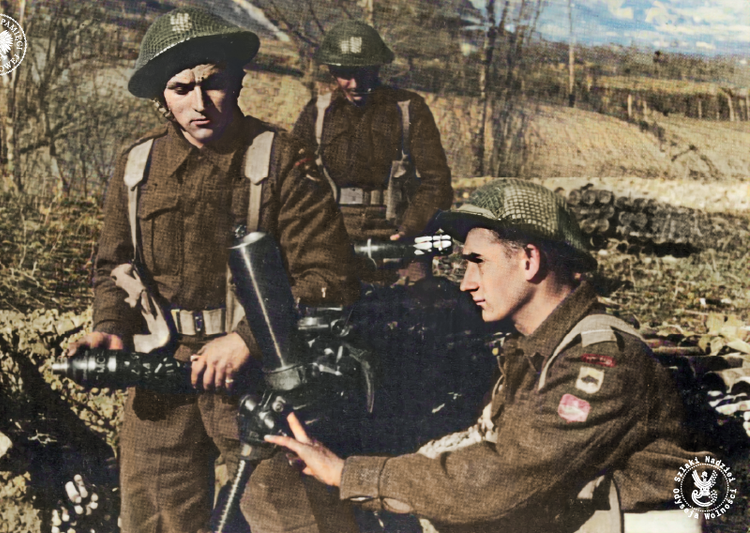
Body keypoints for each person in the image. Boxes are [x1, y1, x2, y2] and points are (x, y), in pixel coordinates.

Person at [267, 179, 712, 533]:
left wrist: (351, 474)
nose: (465, 282)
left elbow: (499, 480)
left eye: (478, 262)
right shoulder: (531, 348)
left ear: (530, 261)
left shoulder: (599, 363)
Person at [67, 7, 360, 533]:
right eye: (181, 88)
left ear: (237, 81)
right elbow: (115, 266)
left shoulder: (281, 159)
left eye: (212, 83)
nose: (199, 103)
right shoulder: (136, 167)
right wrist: (111, 330)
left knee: (294, 522)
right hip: (160, 377)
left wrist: (247, 337)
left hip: (260, 376)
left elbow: (328, 276)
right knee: (153, 520)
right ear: (162, 96)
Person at [291, 20, 453, 283]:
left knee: (414, 307)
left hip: (398, 234)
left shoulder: (409, 109)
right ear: (332, 70)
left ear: (377, 68)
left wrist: (410, 227)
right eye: (345, 73)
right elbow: (293, 178)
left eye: (364, 73)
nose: (355, 84)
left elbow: (437, 182)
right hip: (332, 233)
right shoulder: (318, 113)